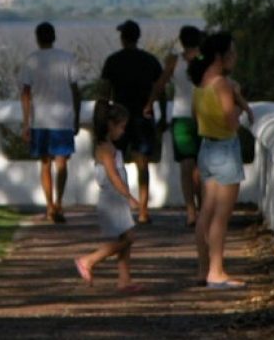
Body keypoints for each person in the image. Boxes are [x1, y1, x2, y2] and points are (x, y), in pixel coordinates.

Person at [187, 31, 254, 289]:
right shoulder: (223, 84)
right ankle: (217, 272)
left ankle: (203, 269)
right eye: (232, 52)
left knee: (206, 212)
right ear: (220, 56)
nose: (235, 57)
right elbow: (231, 121)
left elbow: (196, 117)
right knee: (221, 217)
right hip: (225, 149)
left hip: (207, 149)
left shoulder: (202, 84)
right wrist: (240, 106)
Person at [73, 100, 142, 293]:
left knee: (126, 238)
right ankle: (89, 260)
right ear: (110, 125)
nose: (123, 131)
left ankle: (124, 279)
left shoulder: (110, 146)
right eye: (121, 127)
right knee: (128, 239)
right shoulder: (105, 149)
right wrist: (129, 197)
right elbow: (113, 176)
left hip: (116, 198)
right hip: (113, 199)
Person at [100, 19, 165, 224]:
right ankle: (143, 211)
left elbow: (104, 93)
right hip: (143, 117)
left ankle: (120, 207)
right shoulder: (150, 60)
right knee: (142, 164)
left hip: (119, 118)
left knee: (116, 164)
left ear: (123, 38)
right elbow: (160, 90)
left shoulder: (113, 61)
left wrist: (103, 118)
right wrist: (161, 114)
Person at [19, 22, 81, 223]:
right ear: (54, 37)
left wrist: (26, 122)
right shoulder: (68, 59)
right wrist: (76, 116)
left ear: (37, 38)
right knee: (61, 163)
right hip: (63, 118)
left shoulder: (31, 61)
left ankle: (49, 206)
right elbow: (75, 90)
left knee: (45, 163)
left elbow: (25, 93)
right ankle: (59, 202)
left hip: (40, 120)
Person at [144, 25, 203, 228]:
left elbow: (160, 84)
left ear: (181, 40)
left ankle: (191, 212)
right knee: (199, 166)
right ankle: (201, 208)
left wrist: (150, 103)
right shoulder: (205, 60)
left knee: (187, 166)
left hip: (181, 116)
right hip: (203, 116)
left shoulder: (174, 60)